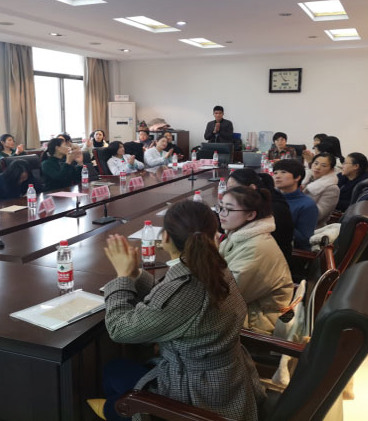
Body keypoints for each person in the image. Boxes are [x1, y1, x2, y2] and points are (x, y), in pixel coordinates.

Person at [93, 200, 265, 420]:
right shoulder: (214, 267)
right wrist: (136, 273)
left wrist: (123, 277)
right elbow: (173, 306)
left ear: (165, 238)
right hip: (228, 379)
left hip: (197, 394)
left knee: (113, 393)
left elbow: (119, 329)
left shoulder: (187, 287)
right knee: (115, 370)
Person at [218, 186, 294, 334]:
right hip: (248, 308)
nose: (221, 214)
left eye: (229, 209)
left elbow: (226, 296)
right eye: (220, 207)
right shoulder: (241, 235)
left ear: (251, 215)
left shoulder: (256, 247)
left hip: (256, 321)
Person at [227, 168, 294, 265]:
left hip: (271, 262)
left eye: (233, 189)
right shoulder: (256, 203)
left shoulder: (273, 209)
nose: (228, 193)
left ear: (251, 188)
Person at [272, 159, 318, 250]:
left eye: (283, 172)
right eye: (275, 173)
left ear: (297, 177)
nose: (277, 176)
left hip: (287, 250)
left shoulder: (307, 205)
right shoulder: (270, 197)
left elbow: (304, 241)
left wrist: (282, 221)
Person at [302, 152, 340, 227]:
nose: (317, 167)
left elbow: (317, 215)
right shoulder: (307, 179)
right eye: (316, 163)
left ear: (331, 169)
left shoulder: (332, 189)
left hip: (311, 227)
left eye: (324, 166)